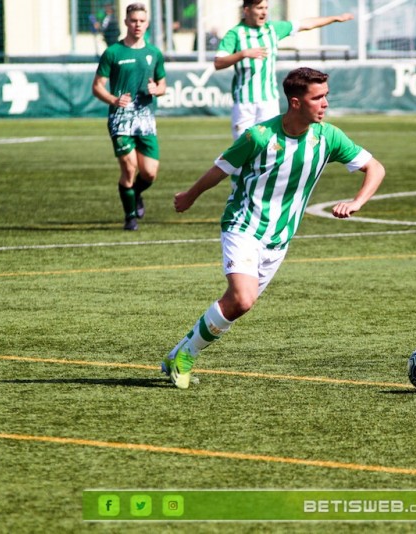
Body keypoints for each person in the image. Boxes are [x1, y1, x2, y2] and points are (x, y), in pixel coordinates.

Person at [162, 67, 386, 389]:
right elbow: (221, 169)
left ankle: (179, 353)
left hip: (280, 239)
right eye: (317, 97)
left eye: (326, 96)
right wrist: (190, 196)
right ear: (295, 103)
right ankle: (185, 358)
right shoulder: (259, 136)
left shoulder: (329, 137)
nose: (325, 104)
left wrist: (357, 202)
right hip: (243, 225)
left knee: (235, 305)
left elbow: (374, 168)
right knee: (242, 299)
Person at [214, 0, 354, 139]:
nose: (264, 12)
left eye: (266, 8)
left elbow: (306, 24)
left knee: (270, 144)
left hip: (269, 101)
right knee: (242, 146)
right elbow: (218, 63)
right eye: (259, 8)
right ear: (247, 10)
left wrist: (335, 18)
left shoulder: (272, 29)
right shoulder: (235, 34)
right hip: (244, 102)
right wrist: (243, 54)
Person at [92, 2, 167, 231]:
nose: (137, 25)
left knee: (150, 172)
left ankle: (135, 195)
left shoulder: (154, 53)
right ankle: (130, 217)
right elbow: (97, 87)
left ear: (147, 23)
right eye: (133, 20)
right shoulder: (113, 52)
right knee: (129, 167)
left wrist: (158, 90)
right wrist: (114, 100)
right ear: (126, 22)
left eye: (142, 21)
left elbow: (163, 84)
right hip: (120, 119)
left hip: (145, 119)